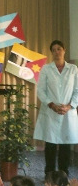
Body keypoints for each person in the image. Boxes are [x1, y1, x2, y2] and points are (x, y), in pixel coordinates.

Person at [33, 40, 78, 176]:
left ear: (64, 50)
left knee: (65, 144)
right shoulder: (46, 69)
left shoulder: (73, 69)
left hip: (67, 112)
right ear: (51, 53)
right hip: (50, 111)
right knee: (50, 145)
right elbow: (41, 90)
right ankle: (50, 174)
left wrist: (70, 106)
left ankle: (64, 173)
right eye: (54, 50)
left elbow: (77, 90)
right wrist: (52, 105)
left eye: (59, 49)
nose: (57, 52)